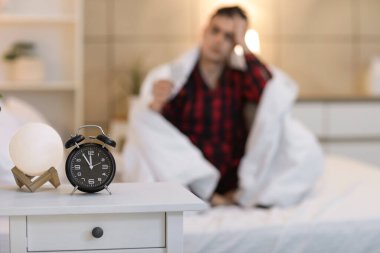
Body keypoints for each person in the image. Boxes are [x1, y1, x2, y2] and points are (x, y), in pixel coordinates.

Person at [148, 6, 272, 205]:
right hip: (191, 180)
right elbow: (163, 135)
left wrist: (244, 45)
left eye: (229, 37)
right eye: (215, 31)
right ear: (204, 31)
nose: (219, 41)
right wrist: (158, 104)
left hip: (232, 183)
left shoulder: (239, 79)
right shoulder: (181, 79)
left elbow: (270, 96)